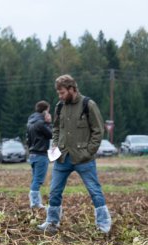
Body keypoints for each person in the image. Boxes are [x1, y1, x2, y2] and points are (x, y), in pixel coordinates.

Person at [38, 74, 112, 234]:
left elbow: (98, 131)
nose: (60, 96)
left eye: (62, 92)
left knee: (94, 190)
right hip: (62, 157)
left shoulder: (88, 105)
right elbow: (56, 128)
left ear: (72, 89)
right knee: (54, 191)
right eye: (59, 93)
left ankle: (104, 223)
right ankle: (51, 222)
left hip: (84, 159)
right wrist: (55, 145)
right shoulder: (59, 106)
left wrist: (88, 152)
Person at [26, 100, 52, 209]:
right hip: (41, 154)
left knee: (35, 179)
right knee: (38, 180)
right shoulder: (41, 123)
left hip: (32, 154)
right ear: (46, 110)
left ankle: (34, 201)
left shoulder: (30, 121)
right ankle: (35, 202)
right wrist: (49, 122)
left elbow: (28, 140)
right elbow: (51, 134)